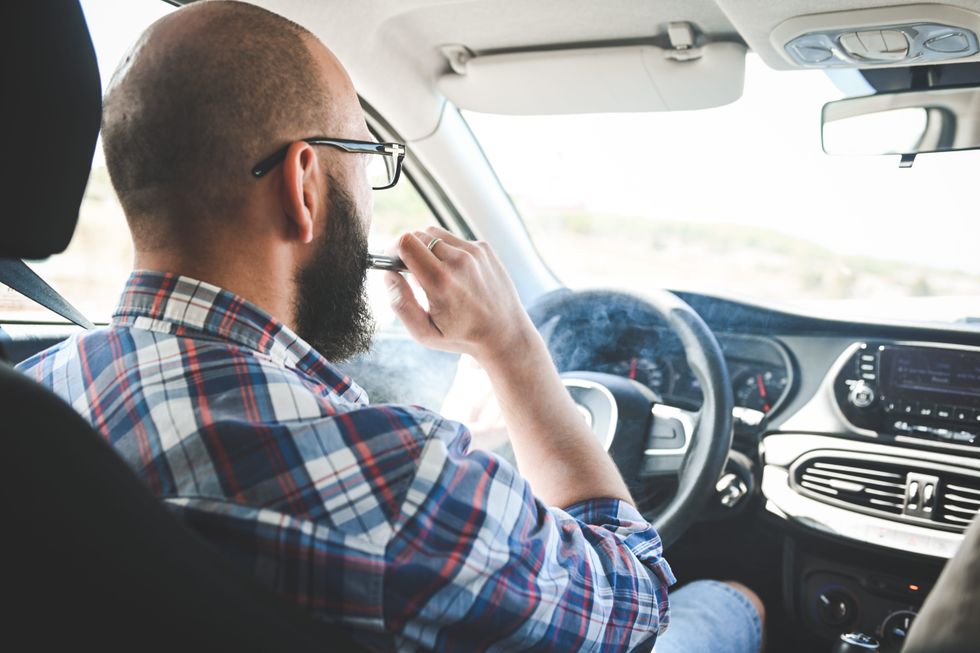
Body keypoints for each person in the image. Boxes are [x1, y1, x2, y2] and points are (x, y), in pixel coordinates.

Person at [17, 1, 763, 651]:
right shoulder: (404, 482)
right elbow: (632, 604)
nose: (371, 198)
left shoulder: (37, 395)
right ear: (303, 182)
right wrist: (511, 347)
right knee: (727, 603)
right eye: (367, 158)